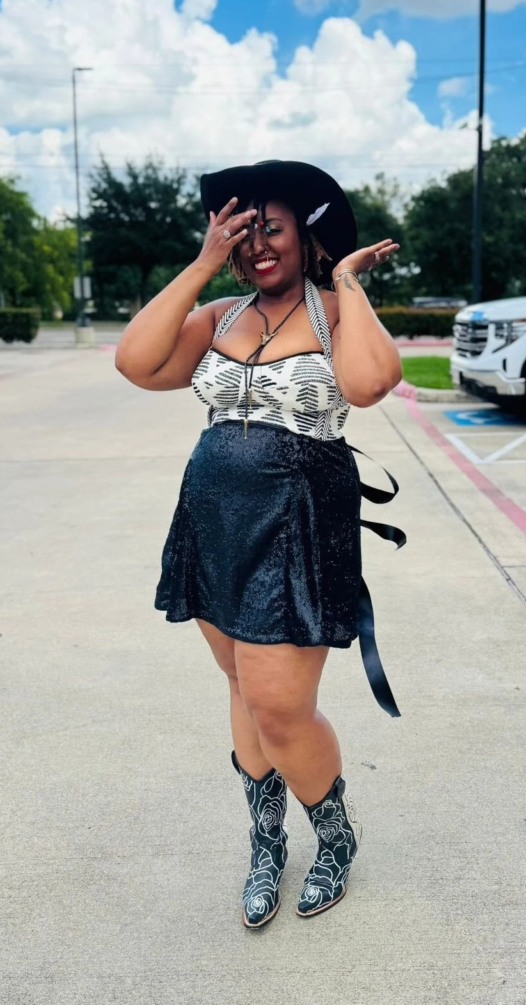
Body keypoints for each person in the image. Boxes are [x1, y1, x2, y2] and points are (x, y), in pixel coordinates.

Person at [115, 160, 406, 928]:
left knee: (280, 706)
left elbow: (373, 384)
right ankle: (266, 844)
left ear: (306, 235)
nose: (255, 246)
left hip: (300, 525)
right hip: (214, 524)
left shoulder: (332, 313)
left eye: (268, 228)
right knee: (243, 688)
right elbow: (136, 362)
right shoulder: (217, 314)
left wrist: (348, 281)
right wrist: (206, 260)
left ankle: (336, 838)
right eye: (242, 233)